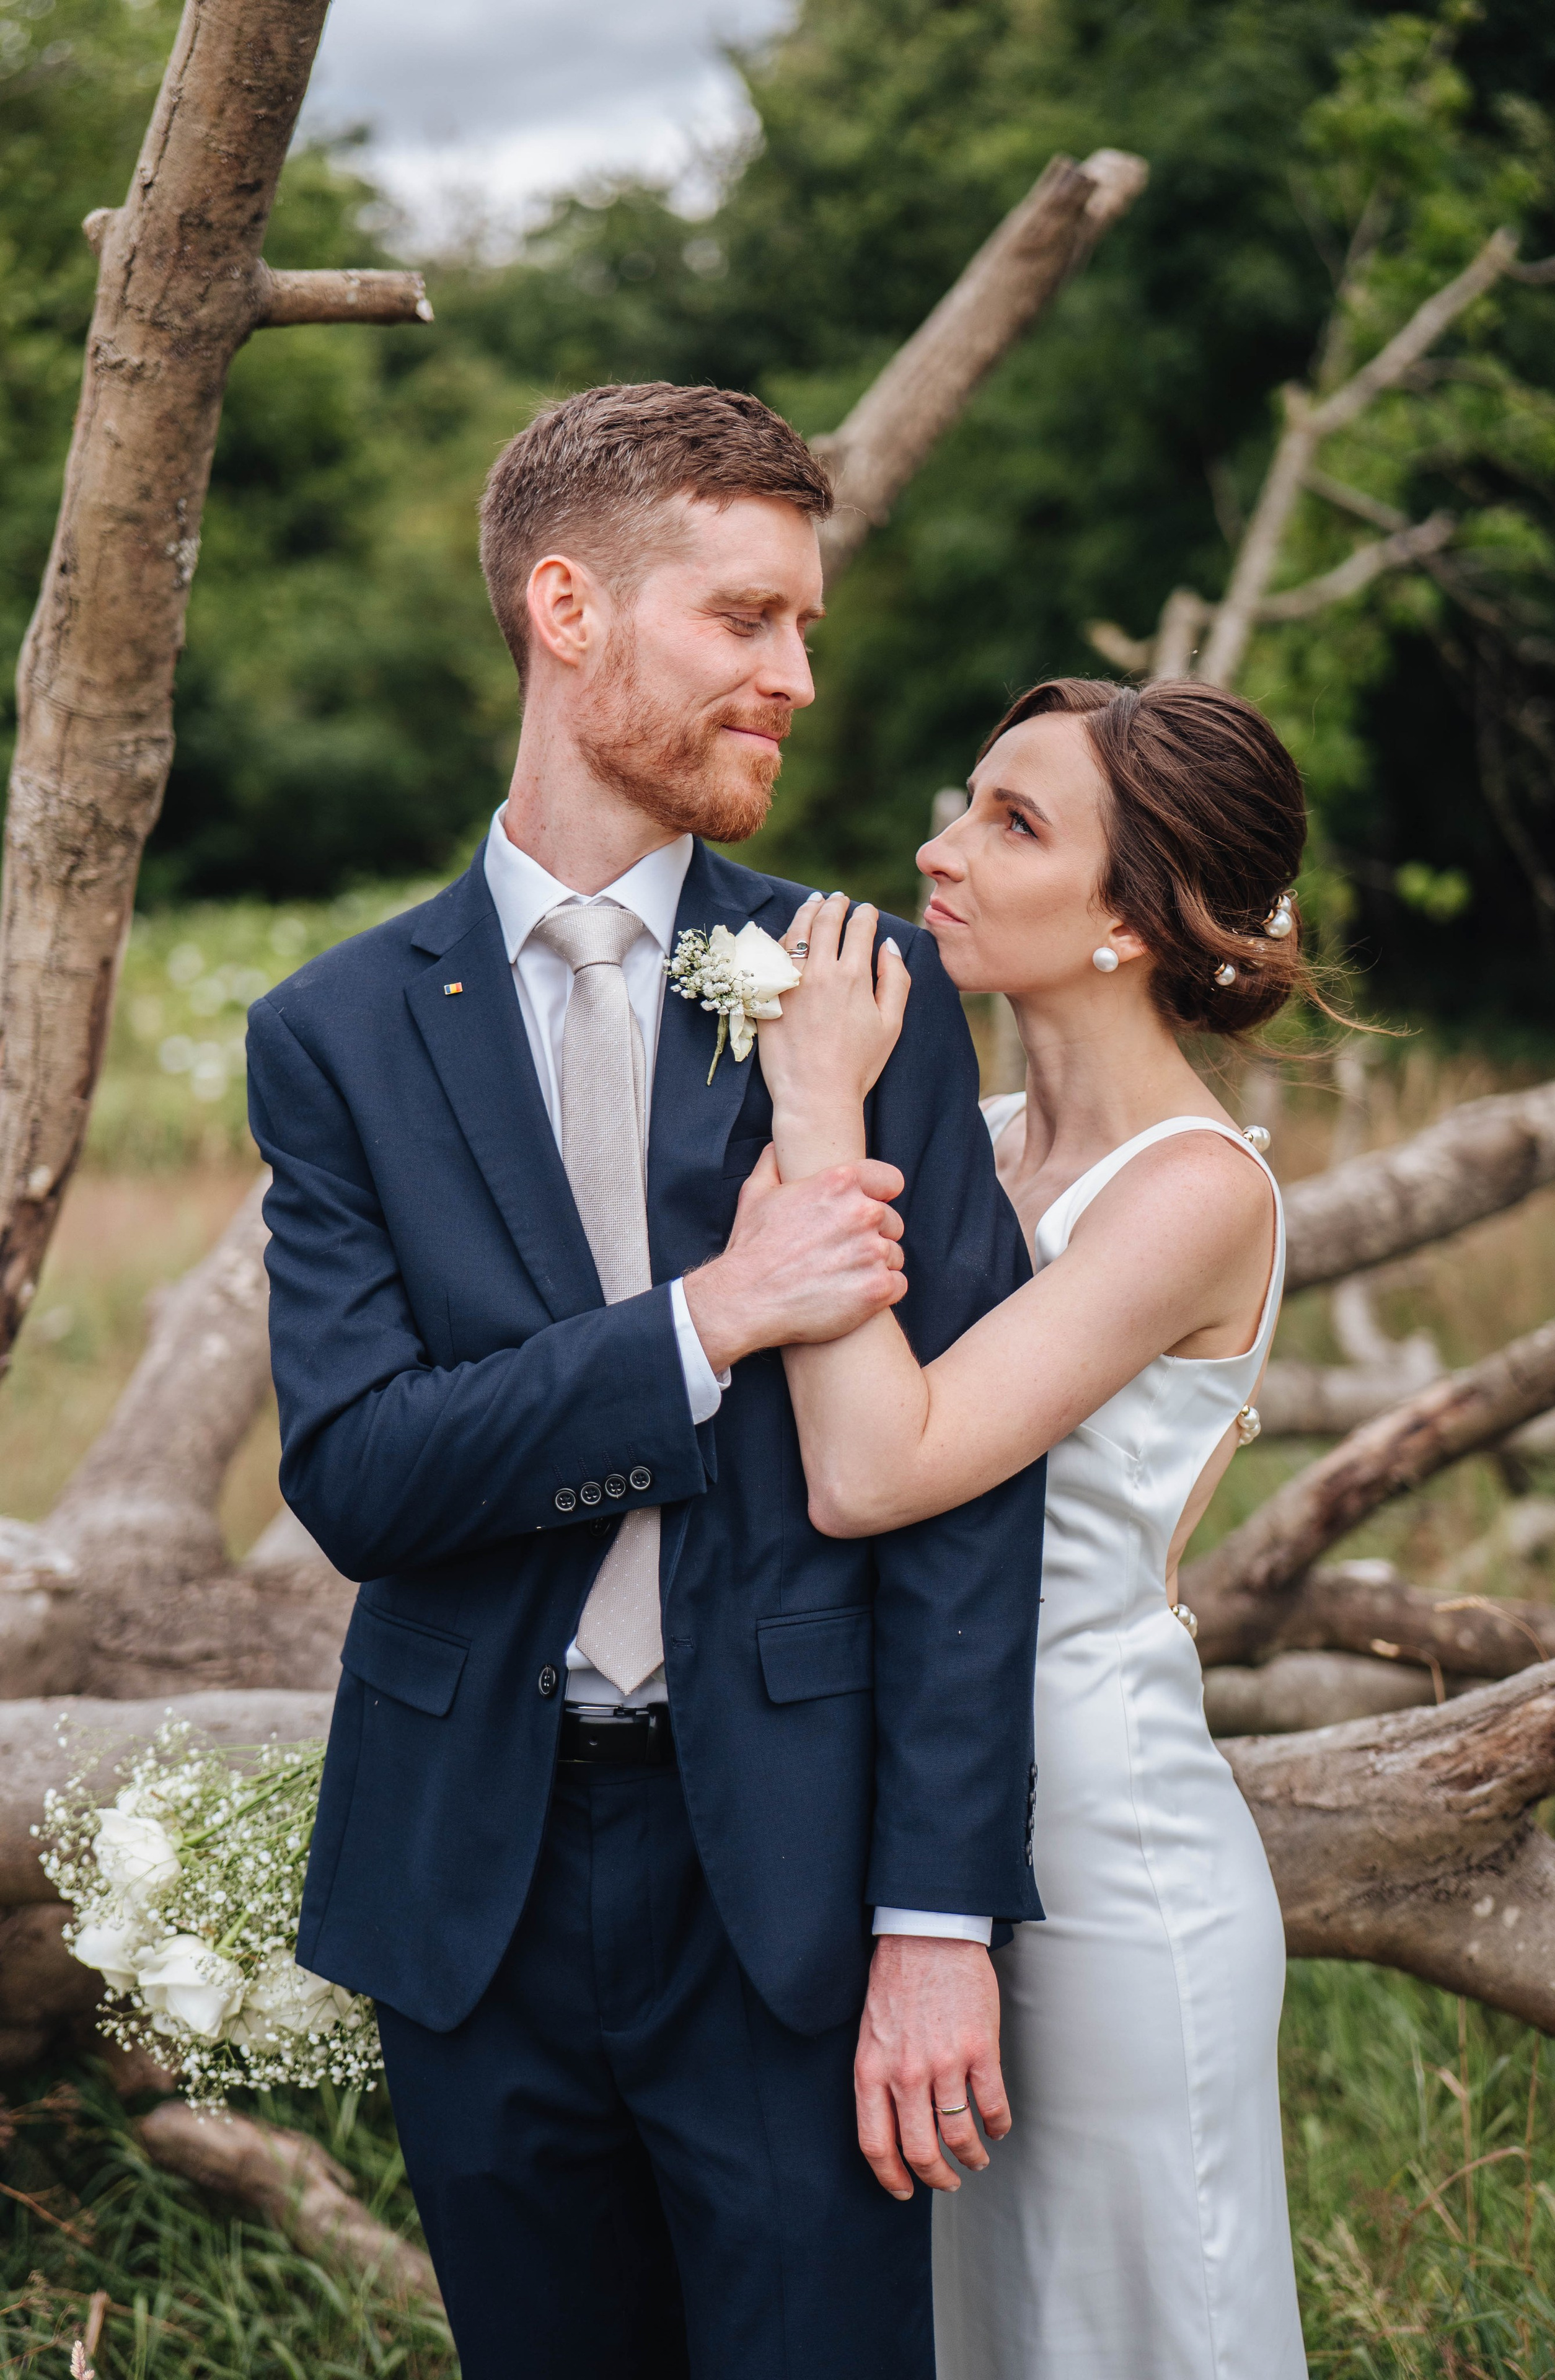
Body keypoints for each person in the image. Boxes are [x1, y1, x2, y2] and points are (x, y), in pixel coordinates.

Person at [246, 381, 1047, 2379]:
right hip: (472, 1887)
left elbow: (960, 1487)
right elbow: (362, 1474)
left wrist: (939, 1918)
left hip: (789, 1881)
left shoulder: (862, 996)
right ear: (568, 607)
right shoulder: (332, 1032)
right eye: (745, 620)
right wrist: (712, 1321)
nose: (792, 678)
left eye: (806, 634)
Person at [745, 674, 1311, 2378]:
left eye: (1013, 825)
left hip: (1106, 1855)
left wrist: (820, 1114)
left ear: (1135, 918)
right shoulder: (981, 1144)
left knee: (1138, 2331)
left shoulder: (1196, 1191)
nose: (940, 853)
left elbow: (872, 1468)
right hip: (925, 1808)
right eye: (963, 802)